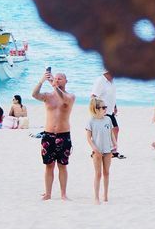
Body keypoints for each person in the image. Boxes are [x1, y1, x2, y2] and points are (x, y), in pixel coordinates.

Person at [33, 68, 76, 200]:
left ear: (66, 81)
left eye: (60, 78)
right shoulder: (48, 96)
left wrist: (54, 85)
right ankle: (48, 193)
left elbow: (64, 99)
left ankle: (63, 194)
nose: (57, 80)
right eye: (55, 78)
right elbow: (34, 94)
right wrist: (41, 81)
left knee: (62, 165)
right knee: (49, 165)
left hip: (63, 135)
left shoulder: (70, 96)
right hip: (48, 135)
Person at [85, 97, 115, 204]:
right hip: (96, 151)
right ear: (96, 109)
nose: (105, 109)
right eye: (103, 107)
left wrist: (115, 144)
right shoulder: (91, 121)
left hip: (108, 150)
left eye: (105, 107)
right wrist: (94, 148)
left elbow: (111, 133)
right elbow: (88, 138)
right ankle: (96, 197)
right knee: (98, 174)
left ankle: (105, 196)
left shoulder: (108, 119)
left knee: (106, 173)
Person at [90, 68, 124, 158]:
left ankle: (113, 150)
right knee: (104, 132)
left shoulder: (111, 82)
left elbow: (110, 96)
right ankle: (98, 151)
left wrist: (115, 106)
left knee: (115, 129)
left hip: (110, 111)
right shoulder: (100, 81)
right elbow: (93, 97)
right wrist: (98, 111)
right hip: (102, 111)